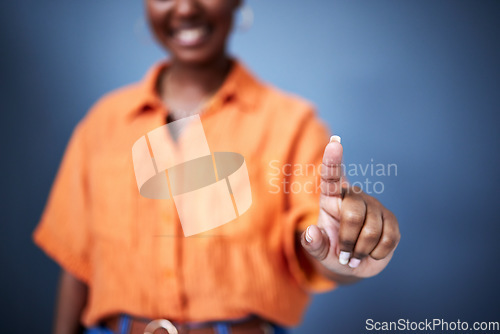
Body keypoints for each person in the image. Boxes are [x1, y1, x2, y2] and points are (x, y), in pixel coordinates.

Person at [33, 0, 401, 333]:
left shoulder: (292, 125)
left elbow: (320, 245)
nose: (186, 8)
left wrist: (347, 254)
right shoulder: (103, 123)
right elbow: (77, 263)